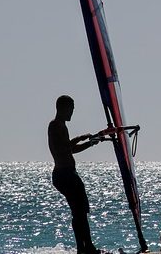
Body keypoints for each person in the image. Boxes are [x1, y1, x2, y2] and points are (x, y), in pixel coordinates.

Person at [48, 95, 102, 254]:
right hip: (64, 175)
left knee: (80, 211)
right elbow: (65, 148)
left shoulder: (62, 126)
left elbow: (72, 149)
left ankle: (83, 248)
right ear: (63, 108)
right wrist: (82, 138)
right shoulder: (55, 125)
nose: (72, 112)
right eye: (71, 109)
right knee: (79, 211)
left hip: (68, 174)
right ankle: (87, 248)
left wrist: (90, 142)